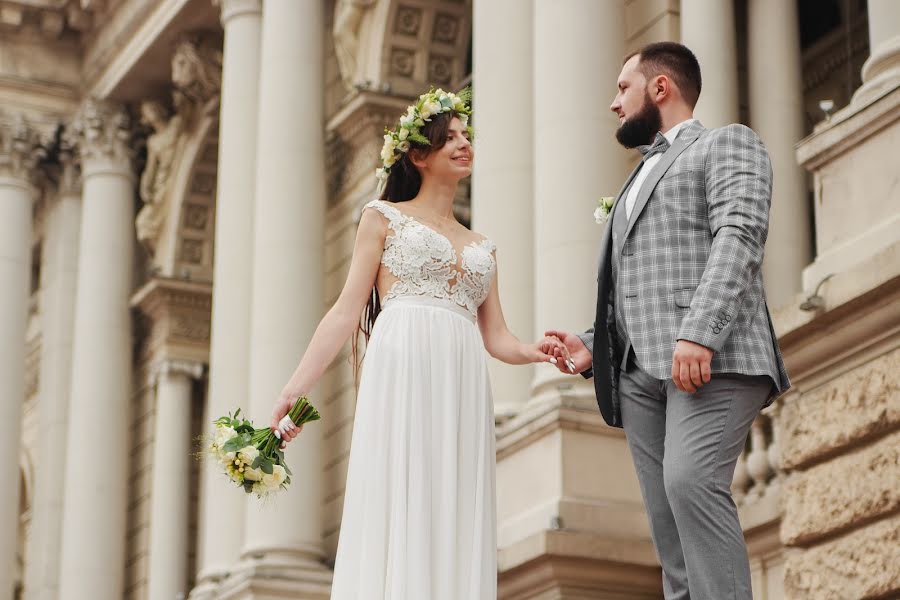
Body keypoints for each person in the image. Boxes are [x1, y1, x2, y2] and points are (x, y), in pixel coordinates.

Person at [270, 88, 567, 599]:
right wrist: (293, 391)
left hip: (461, 379)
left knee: (452, 498)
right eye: (448, 137)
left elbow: (497, 337)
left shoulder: (483, 247)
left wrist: (537, 351)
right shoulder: (382, 218)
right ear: (418, 154)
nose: (463, 142)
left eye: (466, 134)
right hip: (402, 367)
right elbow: (344, 312)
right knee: (401, 489)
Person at [545, 42, 790, 600]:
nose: (613, 103)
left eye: (622, 88)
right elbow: (644, 278)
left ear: (661, 88)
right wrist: (591, 344)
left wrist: (699, 332)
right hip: (639, 377)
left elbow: (740, 236)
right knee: (668, 527)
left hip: (713, 359)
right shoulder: (636, 177)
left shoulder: (728, 143)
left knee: (691, 483)